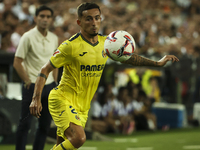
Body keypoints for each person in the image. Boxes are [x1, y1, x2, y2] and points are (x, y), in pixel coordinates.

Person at [29, 2, 179, 150]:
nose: (94, 22)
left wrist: (157, 63)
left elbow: (129, 58)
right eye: (89, 19)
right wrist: (36, 99)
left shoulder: (107, 44)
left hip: (83, 106)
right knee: (79, 139)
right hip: (62, 98)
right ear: (79, 22)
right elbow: (45, 69)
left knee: (63, 145)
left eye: (97, 18)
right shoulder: (70, 46)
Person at [13, 5, 58, 150]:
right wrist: (26, 80)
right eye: (42, 16)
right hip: (32, 84)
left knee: (44, 125)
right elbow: (17, 61)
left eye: (48, 17)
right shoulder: (27, 36)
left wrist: (55, 82)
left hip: (50, 85)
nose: (45, 19)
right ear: (35, 18)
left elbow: (55, 63)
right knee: (25, 124)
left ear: (51, 20)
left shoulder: (54, 38)